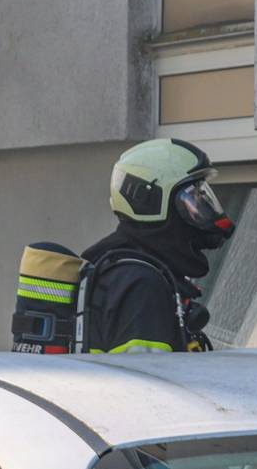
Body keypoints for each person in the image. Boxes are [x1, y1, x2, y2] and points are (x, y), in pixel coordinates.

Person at [77, 137, 235, 354]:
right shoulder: (141, 284)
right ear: (152, 201)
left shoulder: (126, 271)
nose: (200, 206)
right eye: (192, 197)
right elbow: (145, 374)